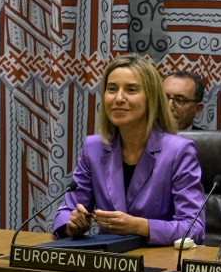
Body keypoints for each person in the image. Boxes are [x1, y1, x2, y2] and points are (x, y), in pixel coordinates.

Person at [52, 54, 206, 245]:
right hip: (107, 261)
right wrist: (72, 224)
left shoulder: (178, 151)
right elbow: (66, 210)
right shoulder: (93, 148)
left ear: (151, 98)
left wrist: (139, 226)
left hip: (157, 264)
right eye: (112, 89)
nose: (118, 98)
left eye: (131, 90)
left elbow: (194, 228)